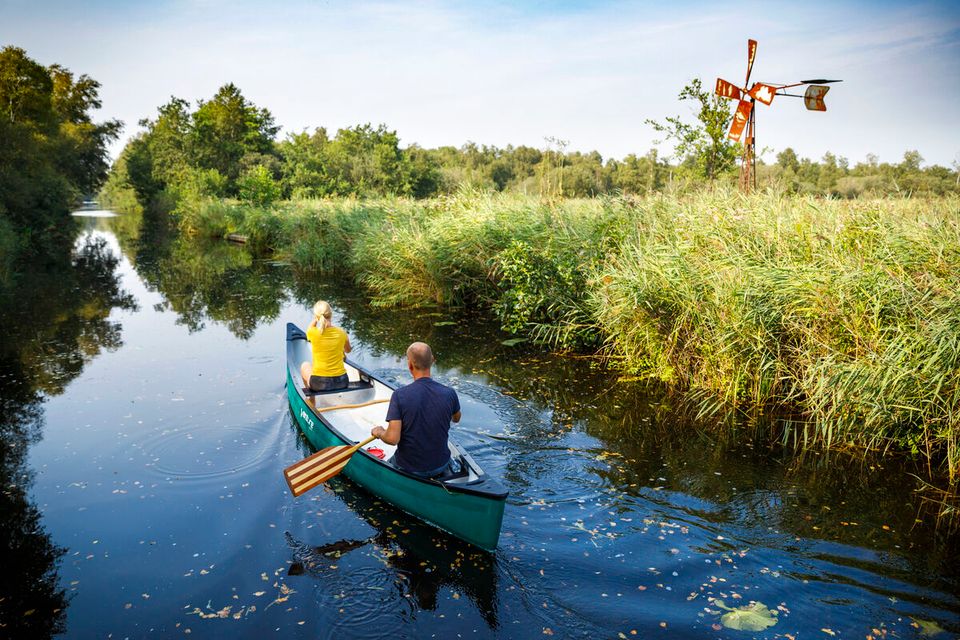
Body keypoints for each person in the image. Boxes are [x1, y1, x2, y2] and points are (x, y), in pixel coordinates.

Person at [370, 342, 461, 477]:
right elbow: (456, 418)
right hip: (441, 465)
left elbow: (392, 439)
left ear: (410, 365)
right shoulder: (449, 393)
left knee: (379, 471)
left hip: (409, 468)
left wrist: (379, 432)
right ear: (433, 361)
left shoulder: (400, 396)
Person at [300, 301, 352, 392]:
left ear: (316, 316)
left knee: (305, 365)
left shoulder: (313, 332)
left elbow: (309, 329)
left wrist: (316, 319)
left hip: (319, 384)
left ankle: (312, 401)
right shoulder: (342, 333)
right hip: (342, 382)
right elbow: (348, 350)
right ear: (331, 314)